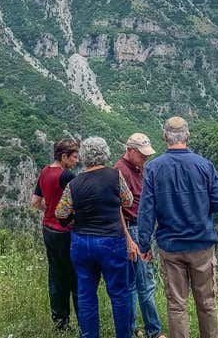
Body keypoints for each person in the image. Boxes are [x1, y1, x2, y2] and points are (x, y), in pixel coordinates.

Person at [137, 117, 218, 338]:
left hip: (171, 246)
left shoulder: (154, 168)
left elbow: (146, 210)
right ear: (187, 136)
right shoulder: (204, 165)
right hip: (202, 245)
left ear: (165, 137)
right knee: (207, 302)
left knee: (177, 304)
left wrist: (144, 244)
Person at [55, 136, 137, 338]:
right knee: (119, 294)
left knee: (86, 294)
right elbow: (128, 201)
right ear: (105, 154)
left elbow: (60, 213)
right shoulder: (115, 176)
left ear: (84, 156)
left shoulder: (74, 183)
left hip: (82, 242)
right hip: (111, 241)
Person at [114, 134, 165, 338]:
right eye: (142, 155)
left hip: (140, 227)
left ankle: (133, 327)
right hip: (133, 228)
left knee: (134, 283)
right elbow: (117, 207)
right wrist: (128, 238)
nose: (145, 159)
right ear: (130, 150)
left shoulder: (138, 168)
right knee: (146, 284)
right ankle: (154, 331)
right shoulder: (120, 170)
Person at [30, 138, 80, 331]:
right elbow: (78, 203)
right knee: (75, 276)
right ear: (64, 156)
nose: (76, 161)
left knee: (56, 275)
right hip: (65, 232)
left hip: (48, 229)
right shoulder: (66, 176)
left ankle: (60, 322)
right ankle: (83, 322)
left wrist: (50, 209)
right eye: (74, 157)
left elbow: (35, 202)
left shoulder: (44, 171)